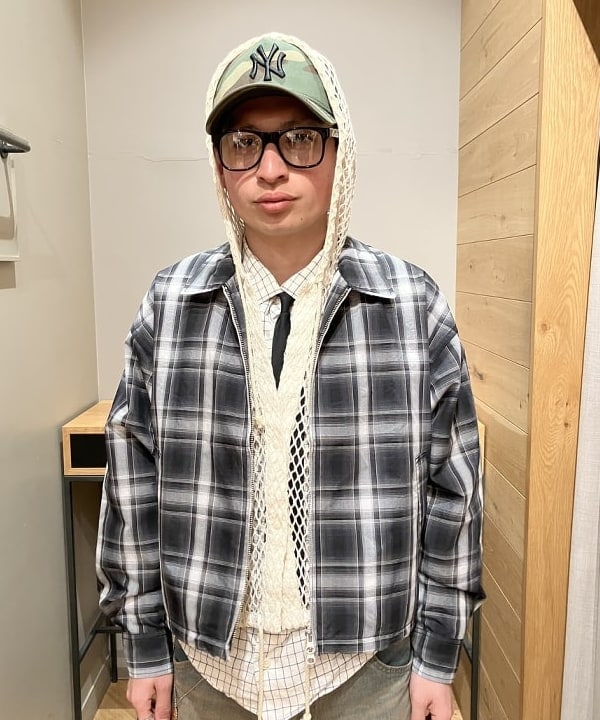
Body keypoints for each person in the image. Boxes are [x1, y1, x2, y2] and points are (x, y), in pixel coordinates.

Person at [96, 31, 484, 720]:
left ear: (340, 151)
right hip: (208, 661)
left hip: (369, 662)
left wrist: (436, 654)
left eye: (300, 139)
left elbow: (453, 488)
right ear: (220, 166)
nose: (270, 169)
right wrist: (145, 645)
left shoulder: (409, 303)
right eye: (244, 143)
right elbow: (133, 481)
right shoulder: (172, 302)